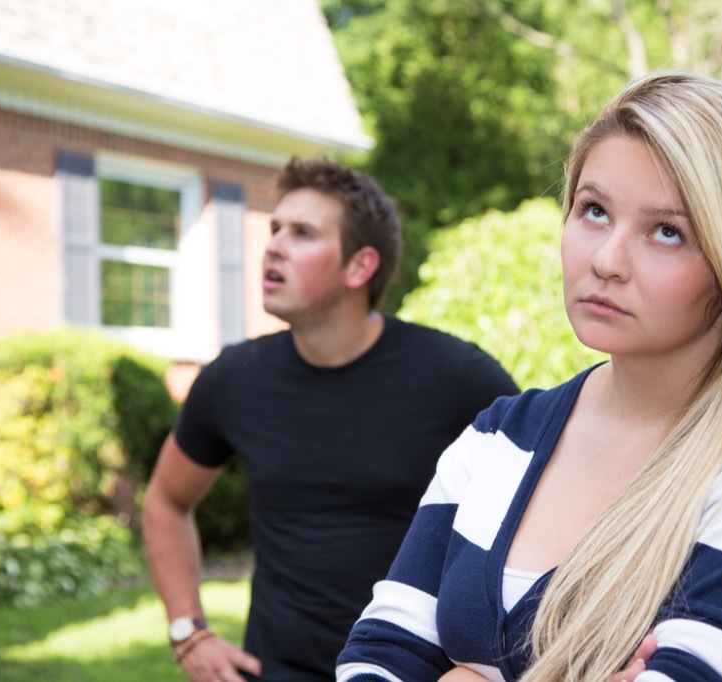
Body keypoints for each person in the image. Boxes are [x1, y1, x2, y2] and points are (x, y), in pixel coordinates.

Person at [335, 70, 722, 681]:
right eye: (594, 210)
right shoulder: (500, 436)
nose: (606, 260)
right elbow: (379, 654)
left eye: (667, 232)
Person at [142, 157, 520, 682]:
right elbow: (166, 500)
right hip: (275, 670)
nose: (274, 246)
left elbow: (541, 507)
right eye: (275, 229)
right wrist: (189, 632)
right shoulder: (234, 378)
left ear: (359, 267)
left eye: (302, 233)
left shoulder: (457, 377)